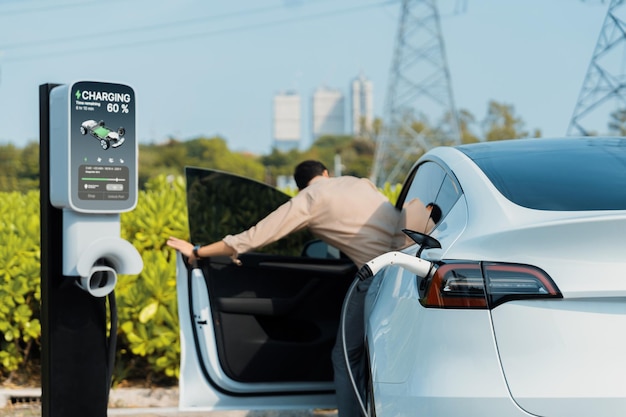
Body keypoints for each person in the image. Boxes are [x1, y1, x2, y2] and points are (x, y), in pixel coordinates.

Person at [166, 160, 436, 417]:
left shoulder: (309, 198)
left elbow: (254, 236)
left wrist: (199, 250)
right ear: (327, 173)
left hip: (376, 277)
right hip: (410, 273)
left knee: (346, 359)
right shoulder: (360, 183)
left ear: (300, 186)